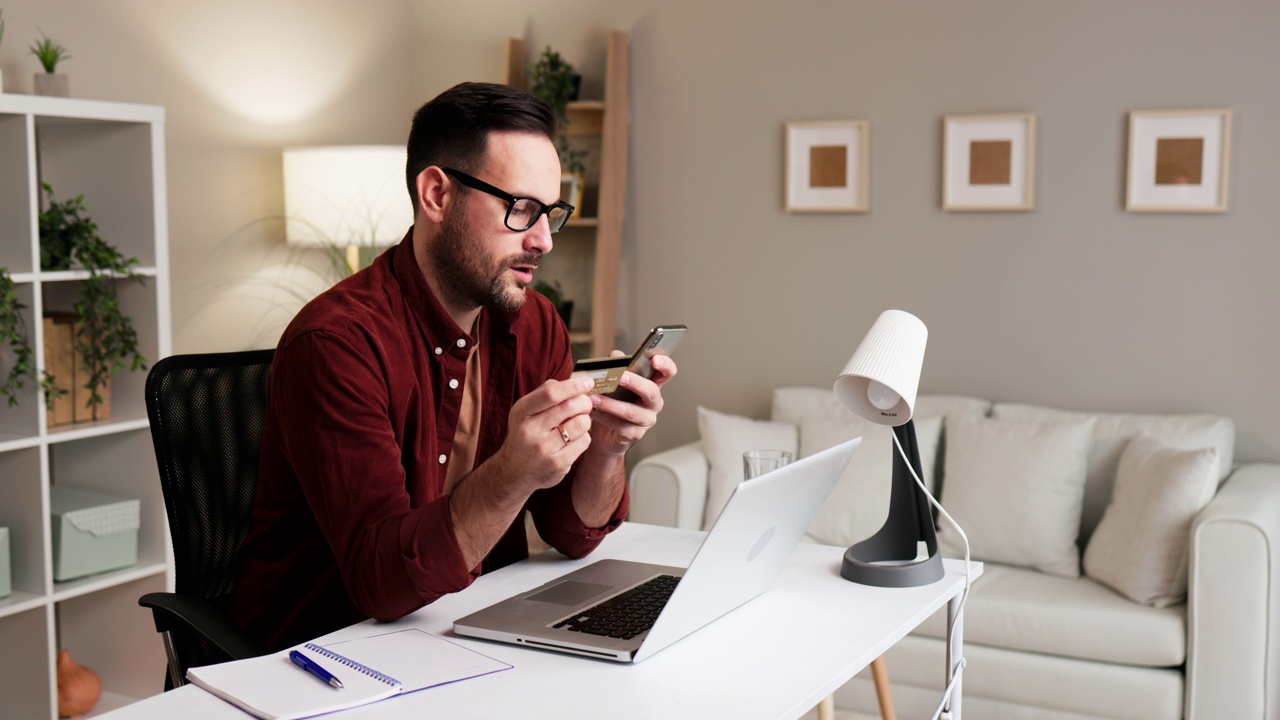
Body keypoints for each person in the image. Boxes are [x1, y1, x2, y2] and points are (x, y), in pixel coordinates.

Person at [228, 82, 676, 651]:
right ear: (437, 194)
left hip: (471, 632)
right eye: (521, 209)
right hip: (328, 656)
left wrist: (607, 448)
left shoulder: (534, 323)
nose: (543, 240)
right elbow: (381, 585)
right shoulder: (336, 343)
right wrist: (513, 470)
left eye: (552, 213)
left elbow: (570, 529)